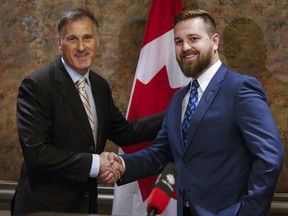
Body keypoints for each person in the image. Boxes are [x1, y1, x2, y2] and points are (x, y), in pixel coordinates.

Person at [113, 9, 284, 216]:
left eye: (193, 38)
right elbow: (160, 152)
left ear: (214, 41)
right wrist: (120, 164)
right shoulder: (178, 100)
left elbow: (270, 158)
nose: (185, 47)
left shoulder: (240, 89)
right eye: (178, 41)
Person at [11, 8, 164, 215]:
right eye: (72, 39)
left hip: (85, 205)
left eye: (87, 38)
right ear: (60, 43)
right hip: (44, 208)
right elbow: (37, 154)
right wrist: (95, 163)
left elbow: (125, 133)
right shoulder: (37, 86)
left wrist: (174, 113)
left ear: (97, 42)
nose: (81, 47)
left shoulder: (100, 86)